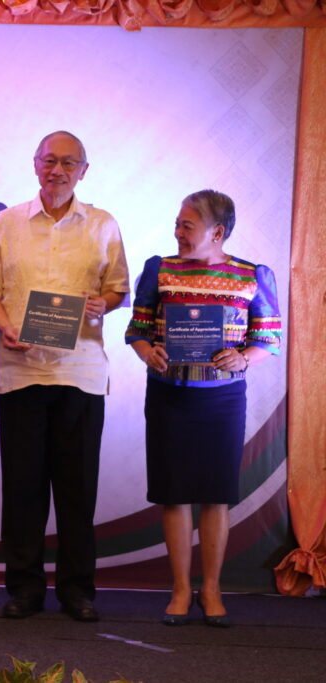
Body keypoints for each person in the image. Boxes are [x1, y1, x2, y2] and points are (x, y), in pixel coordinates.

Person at [0, 131, 130, 622]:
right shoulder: (8, 222)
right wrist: (4, 325)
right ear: (35, 164)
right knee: (23, 488)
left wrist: (104, 303)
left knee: (78, 490)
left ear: (84, 170)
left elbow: (117, 289)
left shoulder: (103, 223)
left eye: (68, 163)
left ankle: (78, 590)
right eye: (49, 161)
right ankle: (24, 587)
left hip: (81, 373)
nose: (57, 171)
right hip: (21, 371)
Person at [125, 190, 282, 627]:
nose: (177, 232)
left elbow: (268, 338)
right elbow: (137, 328)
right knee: (173, 493)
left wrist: (243, 358)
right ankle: (179, 589)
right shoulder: (159, 269)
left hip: (222, 399)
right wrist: (147, 352)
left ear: (217, 232)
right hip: (168, 395)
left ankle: (211, 589)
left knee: (216, 494)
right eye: (177, 223)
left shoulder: (252, 275)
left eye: (187, 225)